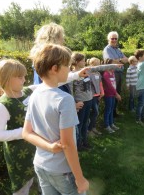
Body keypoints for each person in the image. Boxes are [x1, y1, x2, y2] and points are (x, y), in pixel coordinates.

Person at [22, 44, 89, 195]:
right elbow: (67, 144)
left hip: (40, 165)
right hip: (63, 171)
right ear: (54, 69)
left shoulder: (35, 95)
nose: (70, 69)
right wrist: (79, 178)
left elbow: (26, 133)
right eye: (67, 66)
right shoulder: (64, 99)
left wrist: (49, 147)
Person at [0, 59, 62, 195]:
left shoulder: (28, 92)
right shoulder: (3, 105)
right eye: (19, 77)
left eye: (24, 76)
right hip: (18, 155)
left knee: (35, 177)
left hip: (34, 147)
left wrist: (77, 75)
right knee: (22, 186)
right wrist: (23, 132)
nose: (24, 79)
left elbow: (52, 83)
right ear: (6, 79)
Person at [71, 53, 122, 150]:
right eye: (82, 60)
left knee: (85, 122)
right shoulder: (71, 75)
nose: (84, 62)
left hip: (89, 99)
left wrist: (114, 65)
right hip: (81, 102)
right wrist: (74, 103)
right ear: (77, 62)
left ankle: (85, 141)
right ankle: (78, 144)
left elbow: (99, 67)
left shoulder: (87, 70)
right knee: (80, 123)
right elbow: (70, 91)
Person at [103, 31, 128, 118]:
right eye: (112, 38)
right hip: (112, 74)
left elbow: (126, 59)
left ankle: (114, 113)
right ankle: (111, 115)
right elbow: (110, 61)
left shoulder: (118, 49)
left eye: (115, 38)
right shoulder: (107, 49)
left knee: (118, 92)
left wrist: (118, 60)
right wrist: (120, 60)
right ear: (108, 39)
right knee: (113, 92)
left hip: (119, 73)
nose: (114, 40)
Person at [101, 59, 122, 133]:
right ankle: (106, 126)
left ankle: (111, 123)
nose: (115, 65)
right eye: (113, 64)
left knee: (112, 109)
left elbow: (114, 84)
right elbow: (109, 85)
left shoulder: (112, 72)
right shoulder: (106, 74)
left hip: (113, 94)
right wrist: (116, 94)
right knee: (108, 110)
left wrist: (115, 93)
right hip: (108, 94)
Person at [86, 57, 105, 136]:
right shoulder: (88, 73)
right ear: (92, 64)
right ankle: (89, 129)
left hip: (97, 95)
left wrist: (102, 92)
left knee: (94, 113)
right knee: (95, 112)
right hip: (91, 96)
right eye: (97, 64)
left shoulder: (98, 73)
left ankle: (93, 128)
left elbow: (100, 83)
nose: (99, 66)